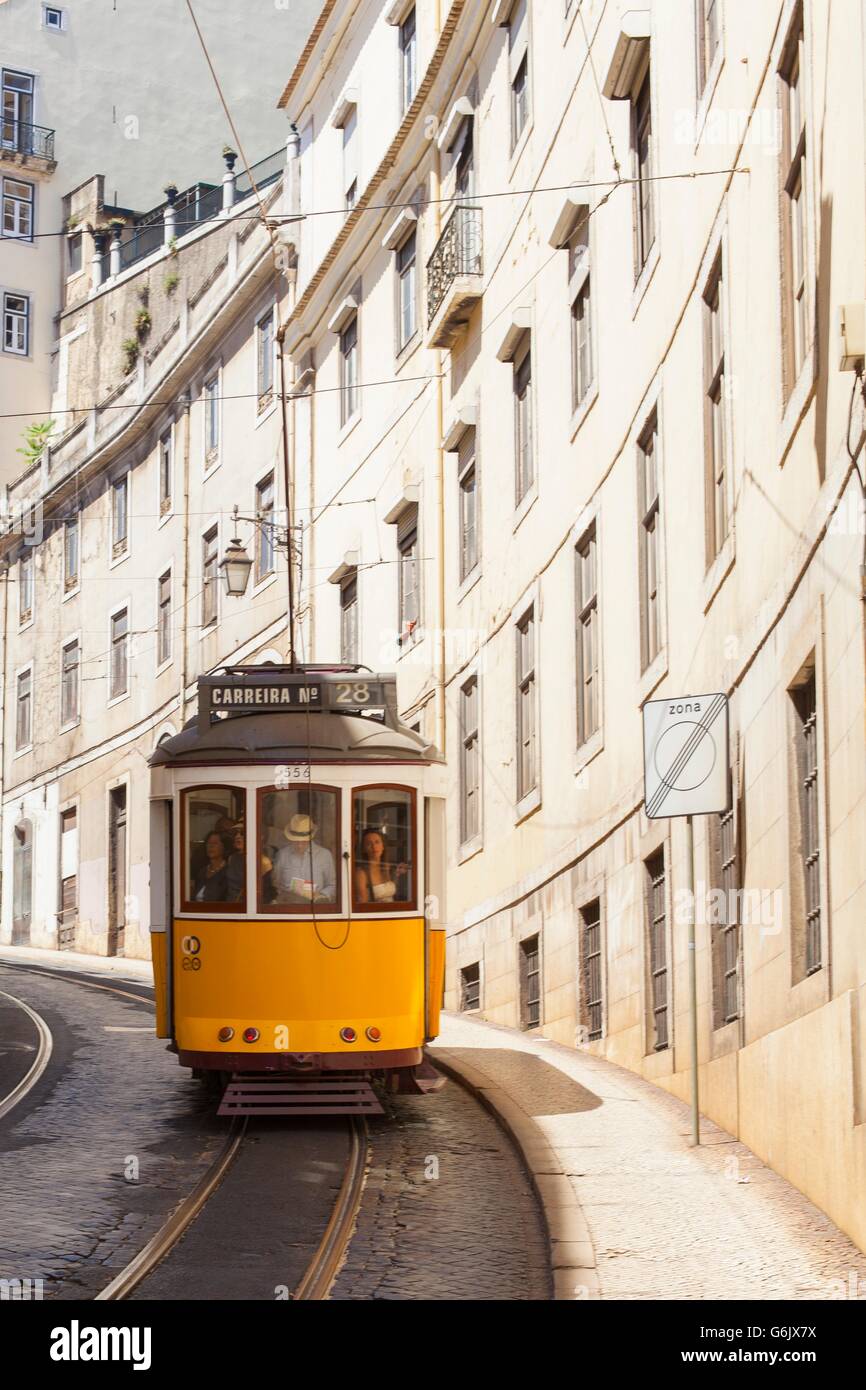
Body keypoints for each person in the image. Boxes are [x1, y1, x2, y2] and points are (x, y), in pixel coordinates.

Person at [272, 814, 336, 905]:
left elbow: (332, 885)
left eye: (304, 841)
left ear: (311, 838)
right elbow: (276, 882)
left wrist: (321, 895)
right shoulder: (282, 855)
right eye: (296, 841)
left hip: (316, 908)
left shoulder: (324, 855)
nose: (299, 845)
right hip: (288, 909)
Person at [353, 828, 408, 905]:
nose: (374, 847)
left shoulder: (388, 867)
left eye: (377, 842)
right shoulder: (361, 873)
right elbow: (362, 906)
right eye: (369, 843)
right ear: (364, 849)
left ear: (383, 846)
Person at [192, 832, 230, 903]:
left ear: (223, 847)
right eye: (208, 843)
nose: (211, 846)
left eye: (215, 843)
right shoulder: (202, 871)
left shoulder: (228, 872)